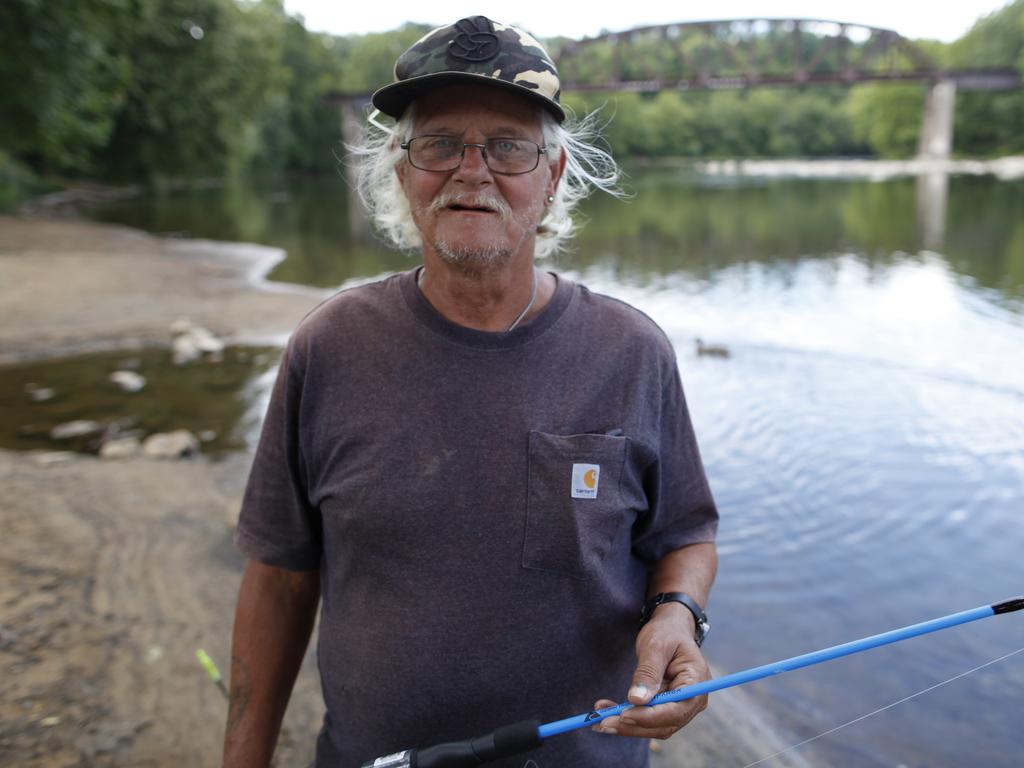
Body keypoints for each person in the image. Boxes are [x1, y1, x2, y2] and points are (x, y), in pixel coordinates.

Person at [224, 15, 718, 768]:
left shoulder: (630, 351)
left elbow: (683, 535)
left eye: (509, 146)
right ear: (402, 171)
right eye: (440, 143)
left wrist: (677, 614)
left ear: (551, 179)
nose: (471, 170)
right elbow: (280, 580)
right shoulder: (328, 348)